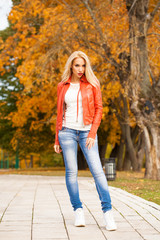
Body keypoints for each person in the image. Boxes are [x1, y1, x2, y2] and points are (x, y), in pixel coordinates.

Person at [54, 51, 117, 231]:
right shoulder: (62, 86)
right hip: (66, 132)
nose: (80, 69)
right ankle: (78, 210)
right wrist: (57, 137)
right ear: (71, 66)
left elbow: (99, 108)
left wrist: (92, 133)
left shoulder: (93, 84)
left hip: (87, 132)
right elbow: (59, 112)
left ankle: (108, 213)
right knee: (71, 172)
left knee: (97, 171)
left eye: (83, 65)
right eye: (77, 65)